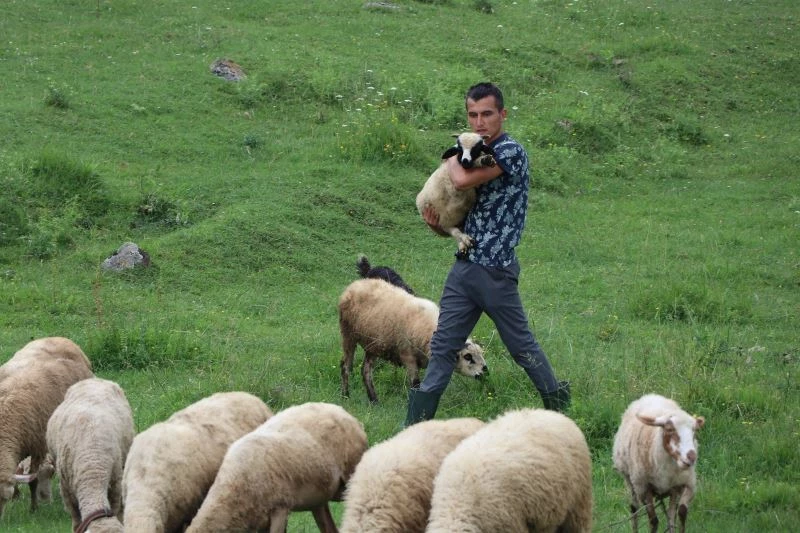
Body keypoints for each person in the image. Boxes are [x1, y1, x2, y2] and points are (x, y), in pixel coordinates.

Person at [405, 82, 570, 426]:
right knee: (442, 347)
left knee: (520, 345)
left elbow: (462, 181)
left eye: (487, 114)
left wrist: (450, 155)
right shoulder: (472, 152)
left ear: (502, 115)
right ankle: (415, 426)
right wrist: (436, 224)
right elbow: (458, 219)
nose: (479, 122)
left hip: (495, 270)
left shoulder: (509, 151)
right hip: (465, 270)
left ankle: (560, 407)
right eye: (473, 115)